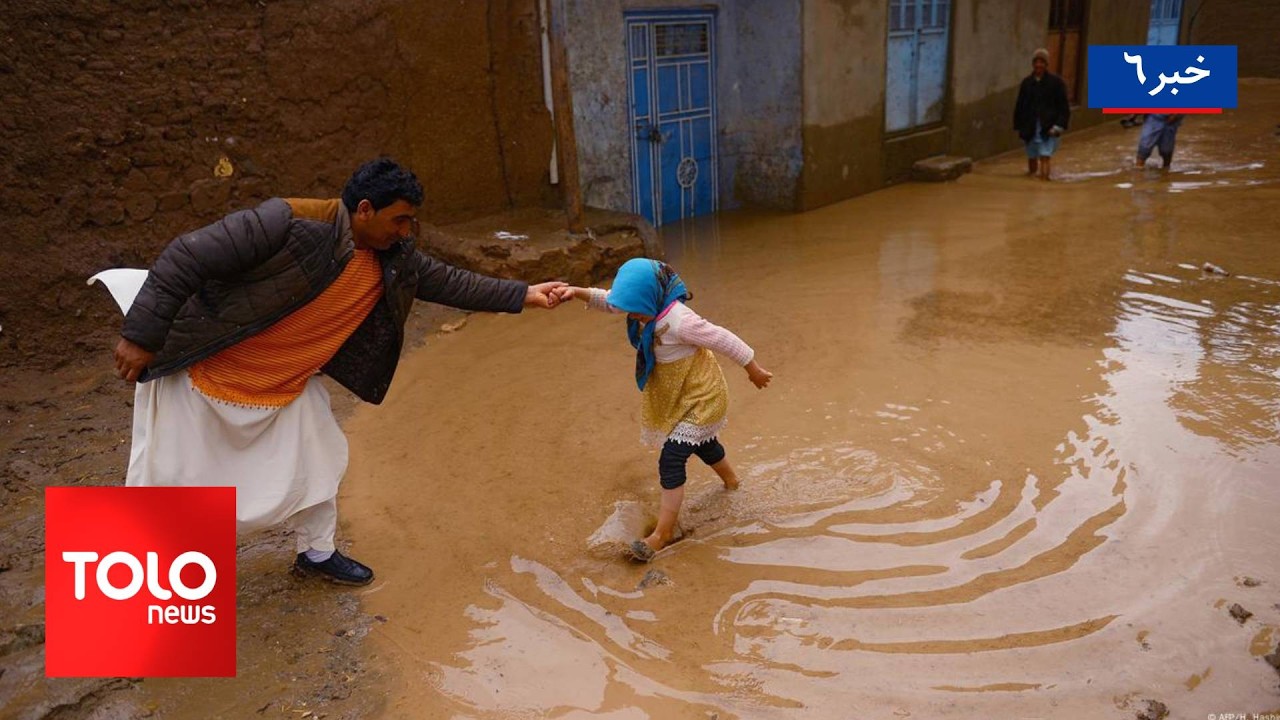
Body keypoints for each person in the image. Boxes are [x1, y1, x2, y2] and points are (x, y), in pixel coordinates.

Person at [113, 157, 568, 586]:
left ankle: (316, 554)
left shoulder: (393, 255)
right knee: (169, 486)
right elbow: (185, 256)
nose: (407, 231)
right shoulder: (288, 221)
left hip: (285, 386)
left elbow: (449, 282)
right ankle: (133, 582)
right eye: (400, 220)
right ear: (365, 210)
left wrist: (524, 294)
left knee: (320, 463)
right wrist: (141, 336)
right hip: (208, 374)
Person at [564, 259, 772, 562]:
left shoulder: (680, 321)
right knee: (703, 443)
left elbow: (724, 338)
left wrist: (753, 369)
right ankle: (732, 481)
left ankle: (662, 534)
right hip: (681, 395)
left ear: (649, 299)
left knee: (672, 457)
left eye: (633, 310)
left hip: (703, 397)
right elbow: (609, 301)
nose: (629, 315)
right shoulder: (644, 307)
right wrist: (576, 292)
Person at [1013, 48, 1071, 180]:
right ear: (1033, 64)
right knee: (1032, 156)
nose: (1038, 65)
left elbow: (1063, 107)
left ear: (1046, 64)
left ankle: (1044, 183)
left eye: (1042, 62)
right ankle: (1031, 183)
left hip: (1048, 127)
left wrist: (1058, 126)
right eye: (1036, 62)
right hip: (1030, 127)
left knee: (1045, 156)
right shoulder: (1027, 83)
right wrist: (1019, 126)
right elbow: (1020, 105)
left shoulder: (1056, 83)